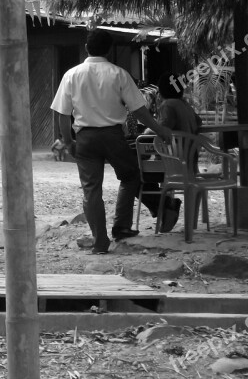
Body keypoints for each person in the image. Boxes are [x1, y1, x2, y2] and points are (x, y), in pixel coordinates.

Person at [50, 30, 176, 255]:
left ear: (87, 48)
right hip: (112, 136)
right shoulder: (119, 74)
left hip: (85, 139)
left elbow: (62, 114)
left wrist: (68, 142)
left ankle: (100, 243)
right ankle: (121, 227)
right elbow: (139, 111)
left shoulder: (71, 74)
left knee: (91, 191)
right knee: (131, 176)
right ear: (109, 50)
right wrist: (160, 129)